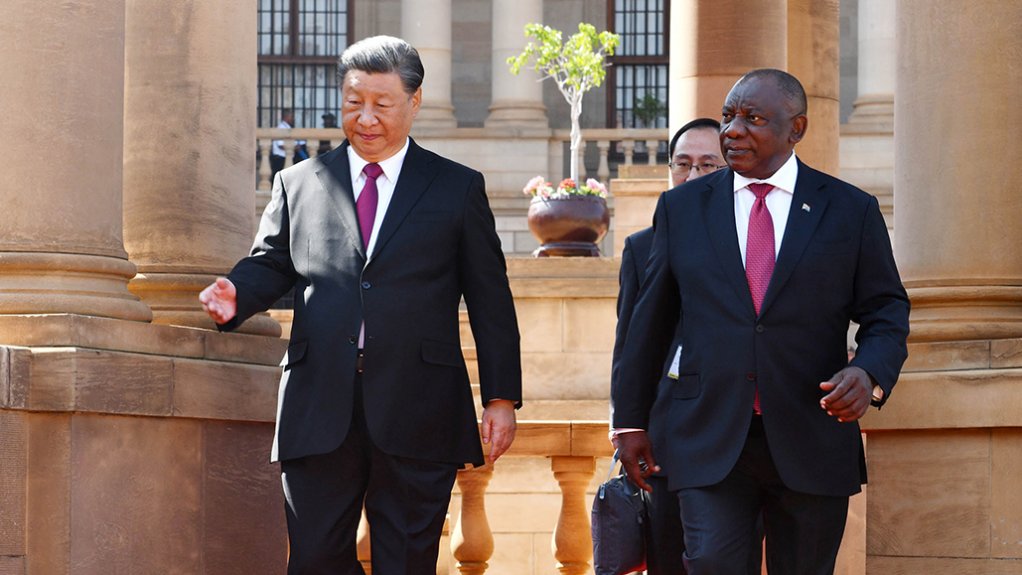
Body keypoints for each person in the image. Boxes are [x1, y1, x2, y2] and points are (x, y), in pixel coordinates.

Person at [200, 35, 522, 574]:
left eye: (382, 104)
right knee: (314, 559)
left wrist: (501, 397)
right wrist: (237, 292)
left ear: (414, 103)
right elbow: (271, 262)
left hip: (420, 406)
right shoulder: (298, 182)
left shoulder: (456, 188)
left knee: (406, 562)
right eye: (354, 103)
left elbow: (491, 300)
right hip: (318, 402)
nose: (366, 118)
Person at [612, 69, 910, 574]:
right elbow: (650, 324)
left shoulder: (850, 210)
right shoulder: (681, 208)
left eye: (752, 119)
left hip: (812, 434)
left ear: (797, 128)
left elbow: (886, 311)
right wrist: (632, 420)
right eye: (728, 116)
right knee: (711, 564)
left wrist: (869, 373)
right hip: (707, 437)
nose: (732, 130)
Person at [610, 117, 725, 575]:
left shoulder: (752, 240)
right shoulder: (642, 247)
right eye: (683, 164)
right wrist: (626, 424)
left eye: (707, 165)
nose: (693, 176)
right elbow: (630, 344)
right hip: (666, 435)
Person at [270, 109, 307, 181]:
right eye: (291, 117)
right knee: (278, 178)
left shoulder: (287, 127)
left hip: (287, 157)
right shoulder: (281, 128)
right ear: (286, 117)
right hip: (280, 158)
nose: (293, 119)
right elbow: (281, 145)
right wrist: (295, 148)